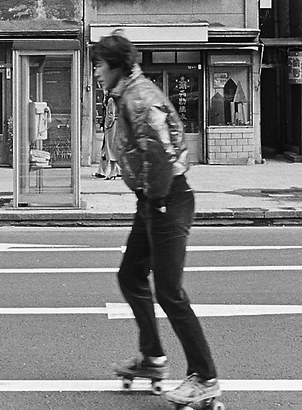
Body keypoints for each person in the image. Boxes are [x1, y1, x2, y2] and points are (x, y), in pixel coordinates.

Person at [92, 33, 221, 407]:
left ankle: (206, 377)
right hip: (153, 199)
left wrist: (157, 201)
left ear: (117, 66)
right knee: (130, 275)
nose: (97, 72)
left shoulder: (141, 98)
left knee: (169, 291)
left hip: (167, 199)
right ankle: (152, 358)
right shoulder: (126, 94)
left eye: (100, 65)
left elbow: (162, 154)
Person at [93, 94, 119, 179]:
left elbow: (110, 114)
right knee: (109, 148)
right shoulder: (116, 99)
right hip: (115, 125)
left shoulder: (111, 100)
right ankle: (112, 171)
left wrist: (107, 125)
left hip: (111, 127)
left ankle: (111, 171)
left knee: (110, 148)